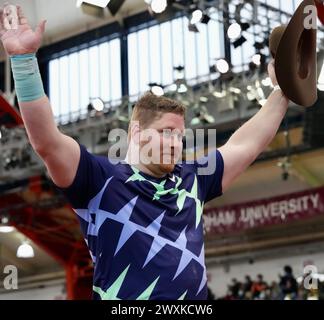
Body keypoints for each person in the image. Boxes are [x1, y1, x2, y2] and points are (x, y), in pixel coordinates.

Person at [0, 4, 289, 300]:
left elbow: (244, 145)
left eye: (180, 135)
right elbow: (47, 141)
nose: (176, 143)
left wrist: (283, 92)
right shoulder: (100, 179)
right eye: (166, 133)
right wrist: (23, 61)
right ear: (136, 133)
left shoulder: (193, 180)